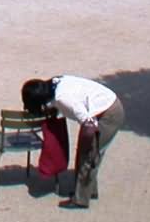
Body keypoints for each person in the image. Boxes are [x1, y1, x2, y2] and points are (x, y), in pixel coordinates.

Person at [22, 76, 125, 208]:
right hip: (103, 106)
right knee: (86, 154)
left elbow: (89, 125)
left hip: (108, 114)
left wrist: (87, 147)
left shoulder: (62, 99)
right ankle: (88, 191)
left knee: (88, 156)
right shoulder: (54, 83)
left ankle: (80, 200)